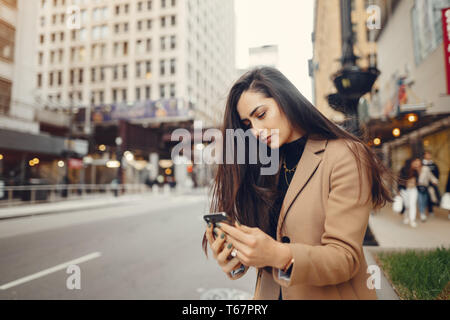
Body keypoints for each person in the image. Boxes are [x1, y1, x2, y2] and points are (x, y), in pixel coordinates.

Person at [202, 67, 393, 300]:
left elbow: (345, 259)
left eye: (260, 115)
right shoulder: (265, 167)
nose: (256, 131)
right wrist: (237, 258)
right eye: (248, 125)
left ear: (286, 100)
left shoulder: (345, 155)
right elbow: (267, 251)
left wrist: (276, 254)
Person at [412, 158, 438, 222]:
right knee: (420, 200)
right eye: (416, 161)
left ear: (420, 162)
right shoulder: (413, 170)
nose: (417, 163)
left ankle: (422, 212)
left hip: (425, 187)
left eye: (418, 161)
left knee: (424, 201)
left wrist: (434, 181)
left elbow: (430, 176)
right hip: (416, 188)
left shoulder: (425, 169)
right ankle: (422, 214)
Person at [398, 159, 419, 227]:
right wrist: (399, 190)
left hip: (413, 190)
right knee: (407, 205)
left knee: (412, 204)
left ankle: (412, 220)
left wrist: (414, 183)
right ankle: (406, 217)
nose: (415, 164)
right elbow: (400, 180)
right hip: (405, 190)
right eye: (414, 162)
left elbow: (418, 180)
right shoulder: (403, 170)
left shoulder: (415, 171)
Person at [422, 151, 440, 215]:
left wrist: (436, 180)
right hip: (423, 183)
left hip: (432, 183)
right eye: (427, 154)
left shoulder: (434, 165)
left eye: (429, 154)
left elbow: (437, 173)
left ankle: (431, 209)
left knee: (433, 195)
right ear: (424, 155)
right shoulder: (421, 164)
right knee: (424, 197)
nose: (428, 156)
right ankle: (423, 210)